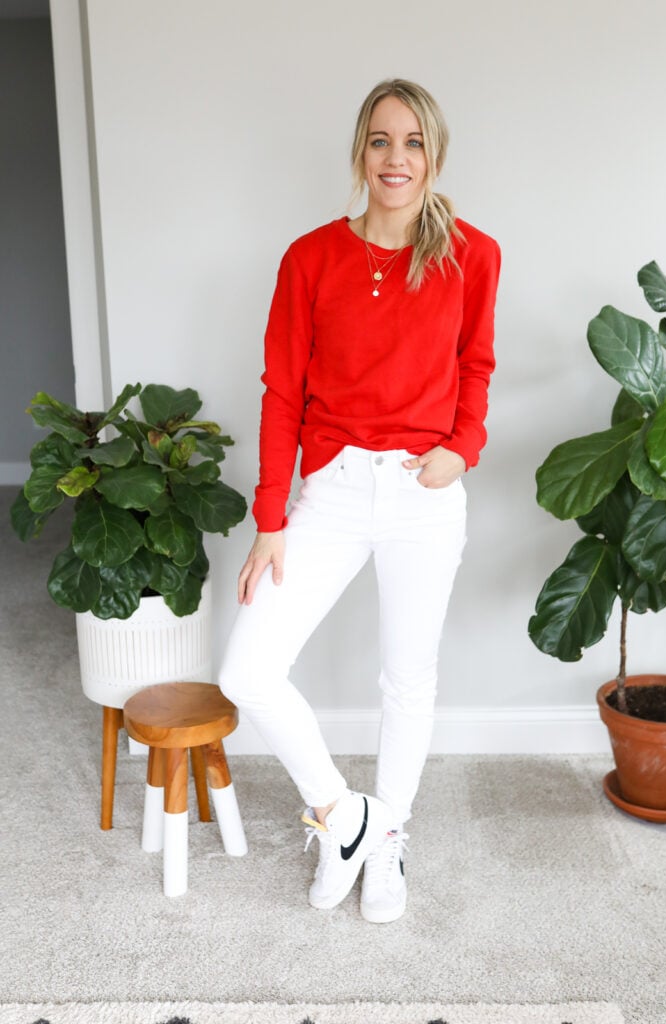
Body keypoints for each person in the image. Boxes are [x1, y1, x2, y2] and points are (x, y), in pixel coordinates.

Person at [218, 78, 500, 923]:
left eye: (412, 142)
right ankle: (347, 817)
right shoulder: (310, 257)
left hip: (423, 490)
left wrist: (461, 449)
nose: (395, 157)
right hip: (333, 488)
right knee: (248, 669)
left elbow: (476, 364)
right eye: (380, 140)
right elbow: (280, 392)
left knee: (406, 678)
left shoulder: (472, 255)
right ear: (359, 153)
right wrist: (270, 520)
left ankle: (390, 843)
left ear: (434, 155)